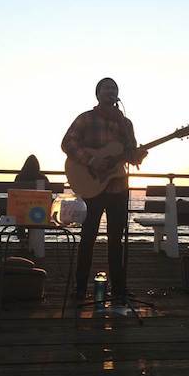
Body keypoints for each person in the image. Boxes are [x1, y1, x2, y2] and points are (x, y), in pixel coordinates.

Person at [61, 78, 147, 300]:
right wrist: (91, 161)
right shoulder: (86, 119)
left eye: (114, 88)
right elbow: (67, 143)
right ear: (97, 94)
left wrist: (139, 154)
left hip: (118, 187)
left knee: (116, 240)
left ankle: (118, 289)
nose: (111, 91)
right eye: (106, 88)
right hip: (92, 187)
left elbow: (130, 155)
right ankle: (80, 289)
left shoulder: (125, 124)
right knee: (87, 237)